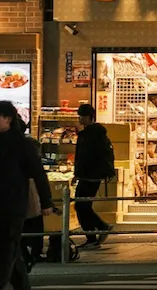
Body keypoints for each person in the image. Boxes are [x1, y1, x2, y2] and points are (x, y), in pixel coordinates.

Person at [0, 101, 53, 290]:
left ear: (9, 119)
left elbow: (38, 173)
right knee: (8, 248)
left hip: (15, 203)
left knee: (6, 249)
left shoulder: (22, 144)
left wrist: (46, 202)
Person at [71, 103, 114, 248]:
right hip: (92, 175)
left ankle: (94, 236)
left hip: (89, 175)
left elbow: (84, 157)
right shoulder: (98, 134)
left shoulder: (90, 135)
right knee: (84, 206)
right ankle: (99, 230)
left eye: (82, 116)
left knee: (82, 206)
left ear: (89, 117)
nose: (80, 119)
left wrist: (78, 173)